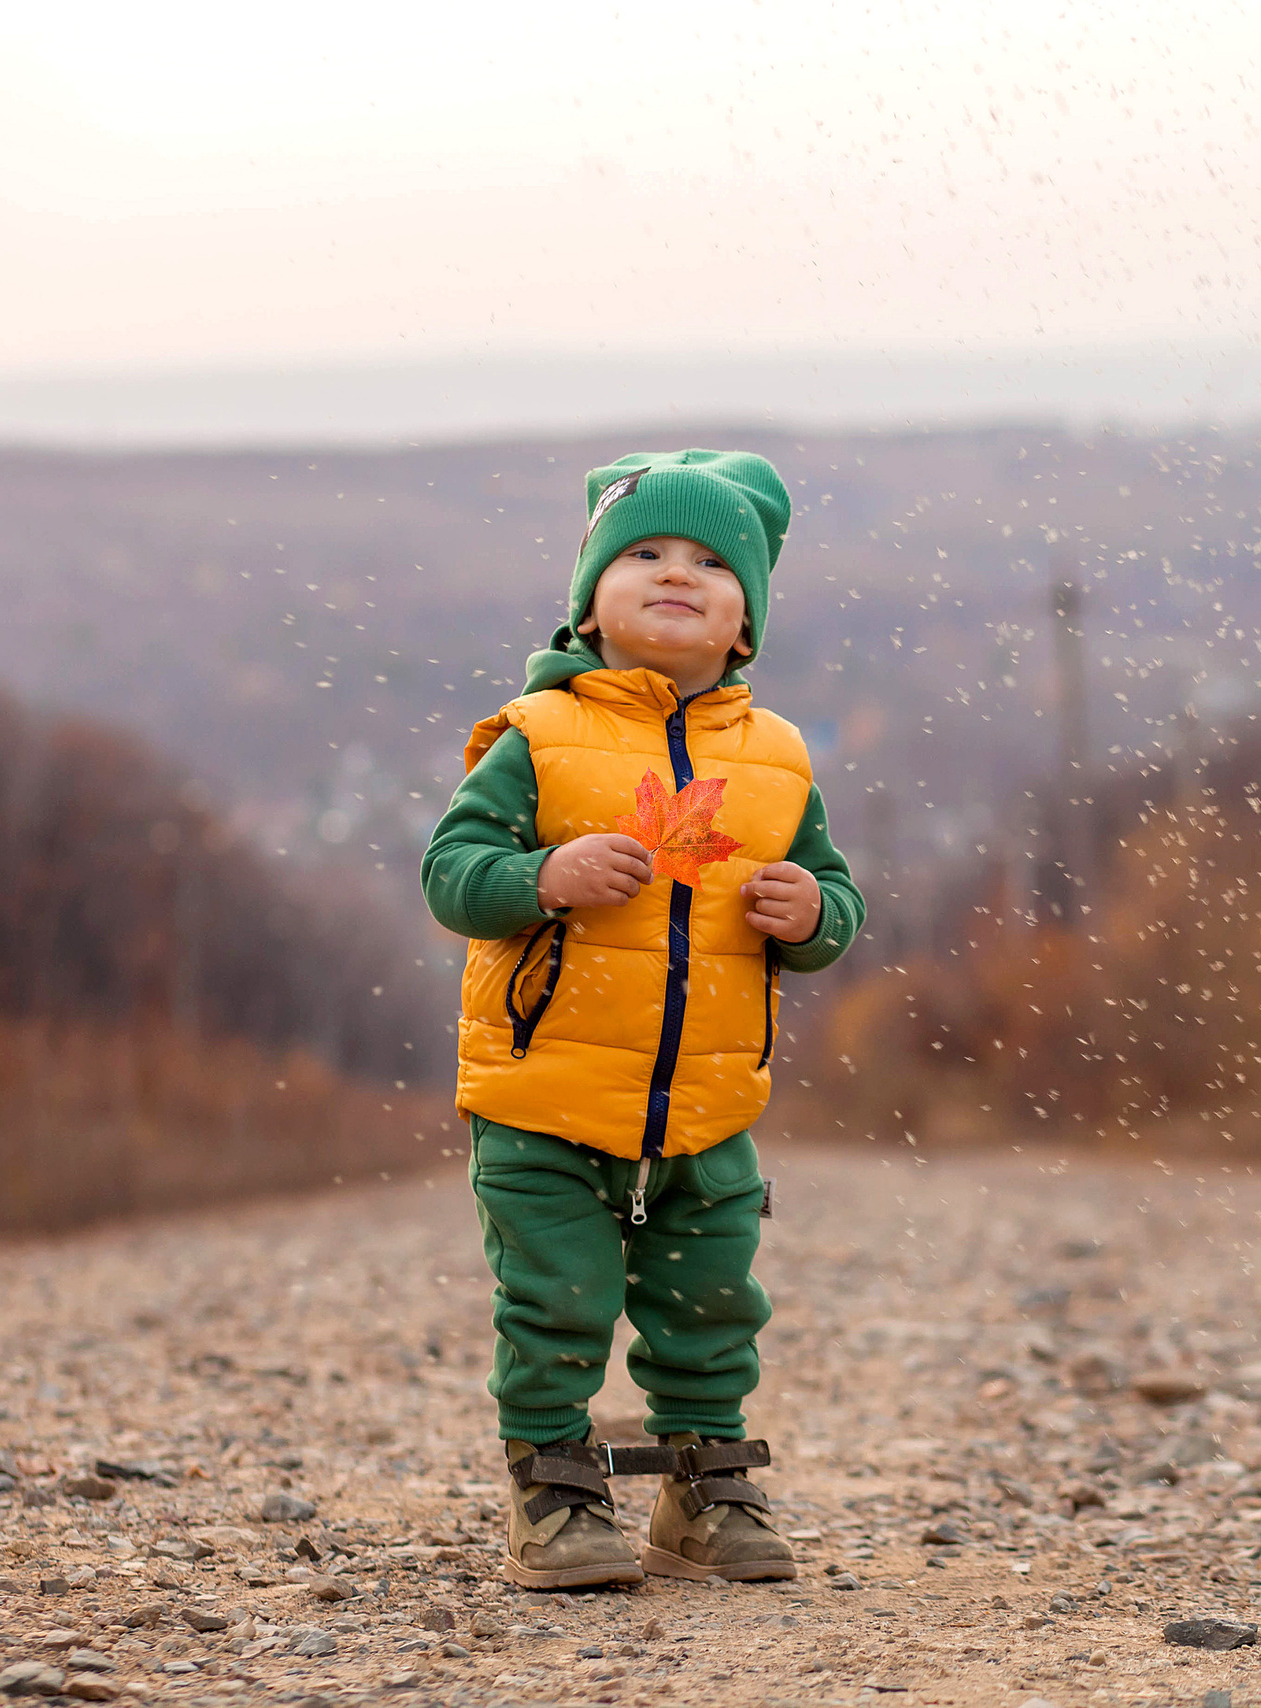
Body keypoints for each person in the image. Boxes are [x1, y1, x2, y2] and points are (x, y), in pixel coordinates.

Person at [420, 449, 864, 1589]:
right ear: (588, 601)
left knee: (711, 1300)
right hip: (545, 1089)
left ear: (746, 623)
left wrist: (813, 910)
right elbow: (452, 871)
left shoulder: (776, 761)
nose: (680, 572)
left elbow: (835, 902)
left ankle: (705, 1487)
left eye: (715, 562)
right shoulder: (537, 732)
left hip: (710, 1100)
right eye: (647, 554)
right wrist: (544, 875)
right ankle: (556, 1490)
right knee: (557, 1297)